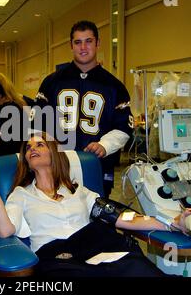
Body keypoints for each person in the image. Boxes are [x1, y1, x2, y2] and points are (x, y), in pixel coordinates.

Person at [0, 132, 191, 277]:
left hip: (98, 246)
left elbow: (121, 217)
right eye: (29, 148)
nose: (32, 148)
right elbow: (5, 230)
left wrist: (173, 224)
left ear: (54, 153)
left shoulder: (79, 191)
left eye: (41, 144)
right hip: (57, 258)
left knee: (138, 267)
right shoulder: (21, 194)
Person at [34, 20, 134, 198]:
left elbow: (123, 127)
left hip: (96, 165)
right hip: (58, 164)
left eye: (88, 41)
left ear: (98, 43)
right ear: (71, 45)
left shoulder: (114, 86)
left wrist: (104, 145)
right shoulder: (52, 82)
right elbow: (37, 124)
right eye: (78, 42)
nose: (83, 47)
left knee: (95, 216)